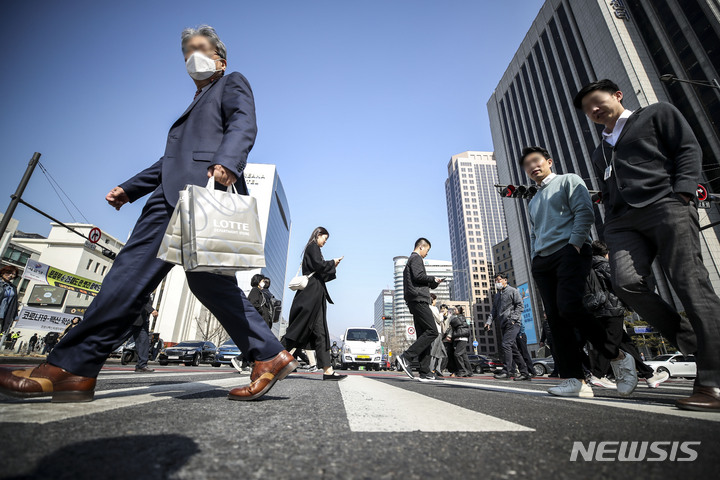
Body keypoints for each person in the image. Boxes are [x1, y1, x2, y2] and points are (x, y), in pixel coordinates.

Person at [0, 25, 297, 403]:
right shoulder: (197, 102)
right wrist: (130, 188)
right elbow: (170, 161)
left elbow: (243, 121)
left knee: (128, 277)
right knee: (209, 284)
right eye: (187, 51)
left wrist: (228, 161)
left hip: (189, 198)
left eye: (200, 48)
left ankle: (71, 366)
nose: (192, 56)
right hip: (185, 193)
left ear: (220, 60)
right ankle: (270, 356)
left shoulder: (230, 83)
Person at [575, 78, 720, 412]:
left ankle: (713, 381)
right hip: (623, 222)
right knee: (625, 283)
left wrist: (683, 191)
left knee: (690, 284)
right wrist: (610, 219)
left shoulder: (655, 114)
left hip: (666, 205)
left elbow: (687, 147)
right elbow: (608, 187)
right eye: (587, 110)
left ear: (617, 95)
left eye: (597, 102)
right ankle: (694, 339)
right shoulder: (601, 150)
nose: (593, 111)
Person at [522, 146, 637, 398]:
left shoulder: (569, 180)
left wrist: (575, 243)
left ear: (549, 162)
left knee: (569, 308)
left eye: (536, 161)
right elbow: (534, 233)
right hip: (543, 262)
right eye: (527, 165)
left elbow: (585, 212)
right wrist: (534, 258)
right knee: (555, 320)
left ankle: (617, 356)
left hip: (570, 251)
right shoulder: (533, 201)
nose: (532, 167)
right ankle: (575, 379)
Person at [584, 240, 669, 390]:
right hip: (612, 308)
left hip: (597, 310)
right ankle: (598, 374)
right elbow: (620, 285)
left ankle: (649, 375)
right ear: (606, 253)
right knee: (611, 341)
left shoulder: (588, 266)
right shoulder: (605, 265)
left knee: (626, 344)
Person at [283, 227, 346, 381]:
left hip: (315, 296)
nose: (325, 241)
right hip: (310, 296)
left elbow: (321, 273)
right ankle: (270, 357)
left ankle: (328, 370)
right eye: (324, 238)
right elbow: (319, 265)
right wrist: (332, 262)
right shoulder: (313, 247)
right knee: (297, 331)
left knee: (321, 332)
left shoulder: (314, 248)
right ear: (318, 235)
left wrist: (332, 266)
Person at [396, 238, 444, 381]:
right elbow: (419, 276)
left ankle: (425, 371)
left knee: (424, 334)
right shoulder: (415, 258)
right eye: (427, 250)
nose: (426, 254)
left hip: (415, 299)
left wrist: (434, 282)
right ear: (421, 247)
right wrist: (433, 278)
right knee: (432, 331)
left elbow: (419, 280)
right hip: (419, 300)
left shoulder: (412, 260)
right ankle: (406, 357)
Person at [487, 274, 530, 381]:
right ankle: (525, 373)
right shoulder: (497, 295)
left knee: (506, 344)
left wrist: (513, 319)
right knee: (513, 349)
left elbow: (520, 305)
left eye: (499, 280)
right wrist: (488, 322)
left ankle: (507, 371)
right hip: (503, 324)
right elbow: (494, 310)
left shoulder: (513, 291)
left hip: (513, 323)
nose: (497, 282)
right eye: (496, 281)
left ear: (505, 280)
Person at [448, 306, 472, 378]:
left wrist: (450, 315)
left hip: (461, 338)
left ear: (458, 310)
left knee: (457, 354)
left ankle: (462, 371)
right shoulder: (459, 317)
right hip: (458, 338)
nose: (453, 310)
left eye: (455, 309)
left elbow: (452, 322)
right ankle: (469, 371)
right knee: (464, 356)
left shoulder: (460, 317)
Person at [428, 294, 447, 379]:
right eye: (435, 300)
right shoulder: (433, 308)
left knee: (440, 352)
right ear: (432, 300)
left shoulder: (427, 308)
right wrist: (442, 313)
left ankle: (437, 369)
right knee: (435, 352)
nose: (436, 301)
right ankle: (432, 370)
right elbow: (439, 319)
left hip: (434, 332)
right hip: (437, 332)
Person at [0, 265, 19, 335]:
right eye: (9, 273)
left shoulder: (13, 288)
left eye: (13, 274)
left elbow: (14, 303)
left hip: (2, 315)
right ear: (3, 272)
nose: (10, 275)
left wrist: (15, 316)